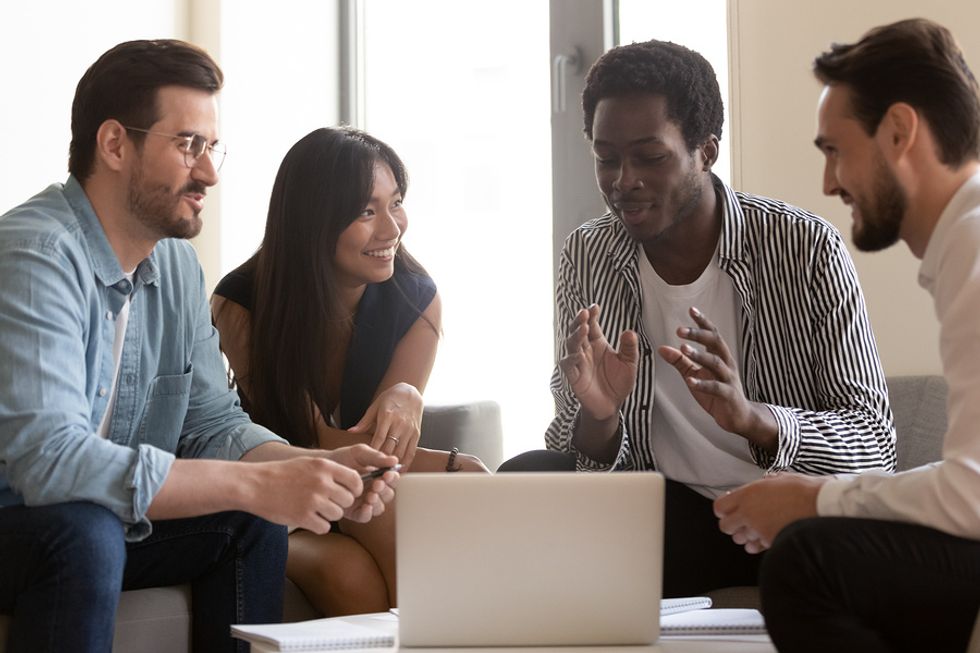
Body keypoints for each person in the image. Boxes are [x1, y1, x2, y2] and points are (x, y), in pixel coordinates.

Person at [0, 40, 398, 653]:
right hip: (23, 522)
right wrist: (249, 485)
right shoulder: (38, 255)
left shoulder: (177, 267)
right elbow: (51, 464)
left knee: (251, 524)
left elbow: (213, 422)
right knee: (84, 530)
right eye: (189, 145)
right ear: (114, 145)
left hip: (94, 523)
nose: (210, 172)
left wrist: (304, 469)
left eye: (211, 148)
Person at [503, 38, 897, 597]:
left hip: (786, 515)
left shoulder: (804, 246)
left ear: (706, 151)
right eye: (606, 157)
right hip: (671, 513)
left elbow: (875, 442)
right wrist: (599, 415)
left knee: (823, 559)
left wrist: (752, 418)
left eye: (650, 156)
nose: (623, 180)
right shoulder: (588, 254)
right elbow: (583, 456)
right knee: (527, 478)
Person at [714, 18, 980, 653]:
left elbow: (971, 492)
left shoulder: (973, 240)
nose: (828, 184)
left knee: (808, 561)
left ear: (898, 131)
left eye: (834, 150)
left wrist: (818, 499)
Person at [211, 126, 487, 617]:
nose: (391, 228)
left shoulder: (415, 297)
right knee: (350, 575)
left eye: (395, 202)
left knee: (395, 504)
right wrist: (445, 464)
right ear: (314, 219)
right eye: (366, 211)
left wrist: (408, 394)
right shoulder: (243, 302)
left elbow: (379, 456)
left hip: (365, 488)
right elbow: (314, 442)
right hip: (275, 495)